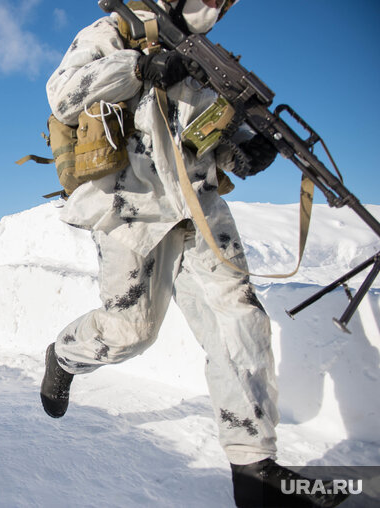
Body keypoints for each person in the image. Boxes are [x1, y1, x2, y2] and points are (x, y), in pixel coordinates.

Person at [39, 1, 347, 506]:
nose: (216, 4)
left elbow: (203, 136)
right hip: (129, 207)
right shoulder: (120, 28)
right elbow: (63, 94)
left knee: (240, 320)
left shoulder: (211, 58)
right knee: (130, 332)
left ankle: (255, 470)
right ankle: (65, 356)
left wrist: (244, 150)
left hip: (197, 205)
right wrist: (139, 67)